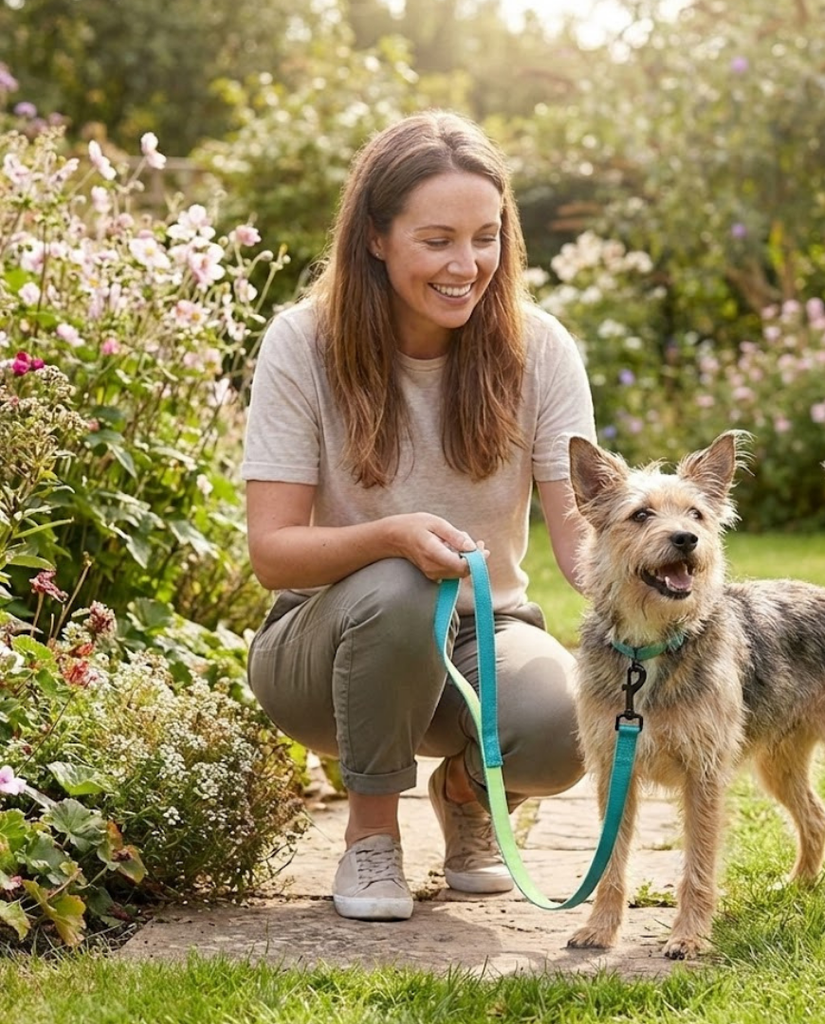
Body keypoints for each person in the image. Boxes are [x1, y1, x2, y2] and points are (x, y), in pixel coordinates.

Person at [242, 109, 596, 923]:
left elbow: (579, 536)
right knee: (399, 582)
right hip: (324, 649)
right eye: (436, 239)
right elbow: (273, 553)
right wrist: (391, 536)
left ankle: (469, 795)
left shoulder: (538, 349)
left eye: (486, 236)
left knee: (570, 723)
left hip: (483, 635)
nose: (466, 265)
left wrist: (659, 591)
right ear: (374, 236)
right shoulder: (303, 344)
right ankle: (371, 837)